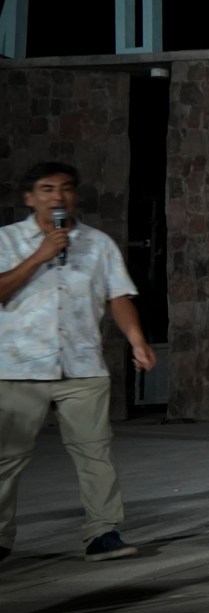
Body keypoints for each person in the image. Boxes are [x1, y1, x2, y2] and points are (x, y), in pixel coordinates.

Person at [0, 162, 157, 565]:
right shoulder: (7, 240)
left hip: (83, 365)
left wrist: (137, 340)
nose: (58, 197)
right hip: (19, 367)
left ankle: (103, 533)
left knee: (95, 453)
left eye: (66, 189)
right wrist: (40, 255)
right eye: (47, 189)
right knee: (7, 458)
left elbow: (118, 296)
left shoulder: (97, 243)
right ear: (29, 197)